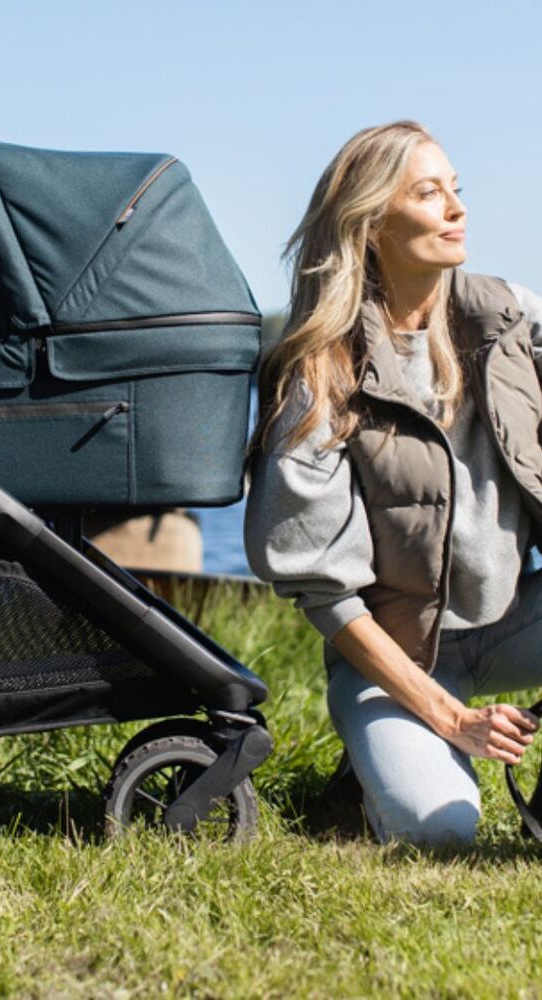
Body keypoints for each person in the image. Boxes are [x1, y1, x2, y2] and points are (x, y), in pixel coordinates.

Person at [244, 120, 542, 846]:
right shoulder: (320, 374)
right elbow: (328, 594)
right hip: (395, 654)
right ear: (373, 223)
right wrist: (452, 719)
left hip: (514, 623)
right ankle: (369, 776)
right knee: (438, 832)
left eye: (456, 189)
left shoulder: (512, 321)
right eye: (429, 193)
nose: (457, 208)